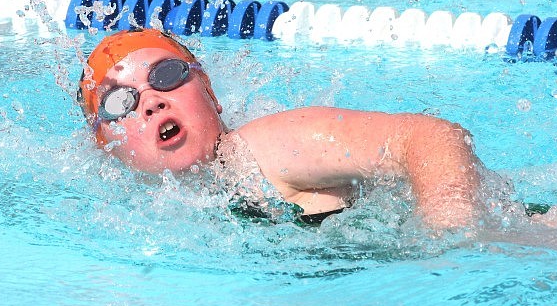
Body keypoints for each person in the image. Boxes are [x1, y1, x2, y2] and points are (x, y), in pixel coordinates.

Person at [77, 27, 487, 230]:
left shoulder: (262, 149)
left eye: (167, 75)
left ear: (211, 95)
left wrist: (450, 234)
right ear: (104, 147)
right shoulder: (134, 213)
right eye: (119, 102)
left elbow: (431, 137)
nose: (151, 100)